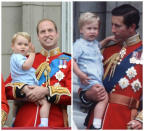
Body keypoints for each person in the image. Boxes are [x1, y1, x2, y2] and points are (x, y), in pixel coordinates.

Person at [79, 4, 142, 129]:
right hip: (96, 121)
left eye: (117, 26)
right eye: (112, 24)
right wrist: (88, 94)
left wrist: (141, 120)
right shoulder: (106, 50)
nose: (112, 29)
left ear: (132, 27)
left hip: (124, 122)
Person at [5, 18, 71, 128]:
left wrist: (46, 91)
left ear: (57, 34)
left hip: (54, 123)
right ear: (38, 37)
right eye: (42, 32)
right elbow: (6, 88)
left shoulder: (69, 61)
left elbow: (71, 94)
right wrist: (23, 89)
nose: (47, 34)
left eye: (50, 30)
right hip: (24, 122)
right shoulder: (26, 60)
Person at [73, 12, 109, 129]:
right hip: (88, 79)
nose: (92, 31)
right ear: (81, 30)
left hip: (96, 79)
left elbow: (99, 46)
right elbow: (71, 60)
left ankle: (95, 120)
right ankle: (97, 122)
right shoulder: (79, 45)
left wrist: (107, 39)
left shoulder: (93, 43)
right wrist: (80, 74)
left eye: (95, 28)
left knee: (100, 98)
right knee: (104, 97)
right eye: (89, 28)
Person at [10, 32, 50, 127]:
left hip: (19, 85)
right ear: (13, 46)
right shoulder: (19, 57)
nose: (23, 47)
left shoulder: (16, 57)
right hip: (27, 86)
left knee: (17, 103)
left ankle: (13, 120)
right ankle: (44, 124)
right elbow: (26, 66)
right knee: (45, 102)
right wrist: (32, 53)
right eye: (19, 44)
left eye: (26, 44)